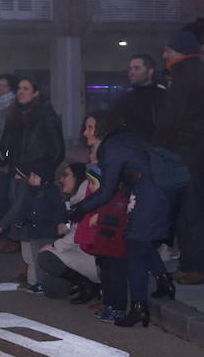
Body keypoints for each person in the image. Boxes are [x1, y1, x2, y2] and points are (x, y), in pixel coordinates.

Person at [69, 107, 171, 327]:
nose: (85, 132)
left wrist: (80, 209)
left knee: (135, 246)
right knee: (140, 241)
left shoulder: (112, 148)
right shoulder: (123, 141)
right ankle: (163, 282)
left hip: (150, 193)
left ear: (103, 128)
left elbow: (106, 190)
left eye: (90, 127)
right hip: (154, 192)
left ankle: (139, 308)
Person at [0, 77, 65, 279]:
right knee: (23, 221)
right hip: (18, 175)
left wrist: (42, 173)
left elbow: (57, 149)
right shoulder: (15, 114)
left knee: (38, 223)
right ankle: (30, 265)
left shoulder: (45, 115)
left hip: (37, 177)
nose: (21, 92)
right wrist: (9, 162)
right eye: (19, 88)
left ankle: (40, 266)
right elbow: (6, 146)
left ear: (36, 92)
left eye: (26, 88)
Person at [156, 30, 204, 285]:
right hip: (197, 152)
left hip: (187, 154)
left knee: (189, 211)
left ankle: (194, 267)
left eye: (168, 50)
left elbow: (170, 120)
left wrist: (159, 147)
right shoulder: (197, 73)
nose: (164, 55)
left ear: (180, 51)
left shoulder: (184, 77)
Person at [33, 164, 101, 302]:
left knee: (46, 258)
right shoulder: (77, 200)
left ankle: (87, 284)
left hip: (93, 258)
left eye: (65, 175)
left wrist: (55, 246)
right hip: (80, 253)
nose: (61, 179)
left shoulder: (88, 202)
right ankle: (84, 283)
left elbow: (75, 235)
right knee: (52, 289)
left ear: (78, 178)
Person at [0, 165, 63, 294]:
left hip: (46, 232)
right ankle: (37, 283)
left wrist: (60, 224)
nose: (31, 179)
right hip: (34, 231)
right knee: (35, 259)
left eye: (34, 176)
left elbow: (58, 211)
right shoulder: (32, 191)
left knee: (42, 259)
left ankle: (43, 283)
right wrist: (22, 220)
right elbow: (25, 210)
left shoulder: (50, 192)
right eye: (30, 175)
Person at [114, 53, 166, 143]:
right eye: (130, 69)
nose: (132, 72)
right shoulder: (124, 100)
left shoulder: (164, 97)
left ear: (150, 72)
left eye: (137, 68)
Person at [0, 73, 18, 238]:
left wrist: (6, 155)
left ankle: (13, 235)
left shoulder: (15, 106)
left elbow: (10, 137)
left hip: (11, 160)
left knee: (12, 198)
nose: (1, 89)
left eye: (5, 86)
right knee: (2, 198)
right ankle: (4, 233)